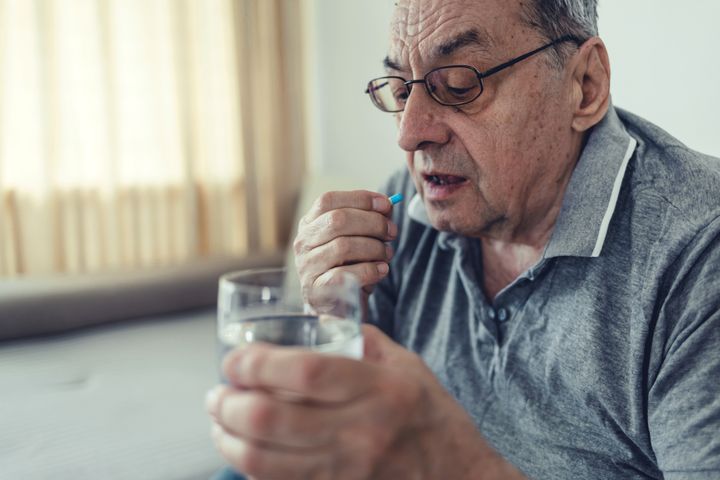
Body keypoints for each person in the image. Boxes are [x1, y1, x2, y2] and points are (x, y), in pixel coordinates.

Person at [205, 0, 720, 478]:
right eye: (402, 89)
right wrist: (332, 324)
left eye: (458, 84)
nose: (409, 134)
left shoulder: (700, 252)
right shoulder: (402, 216)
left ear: (584, 85)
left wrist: (456, 465)